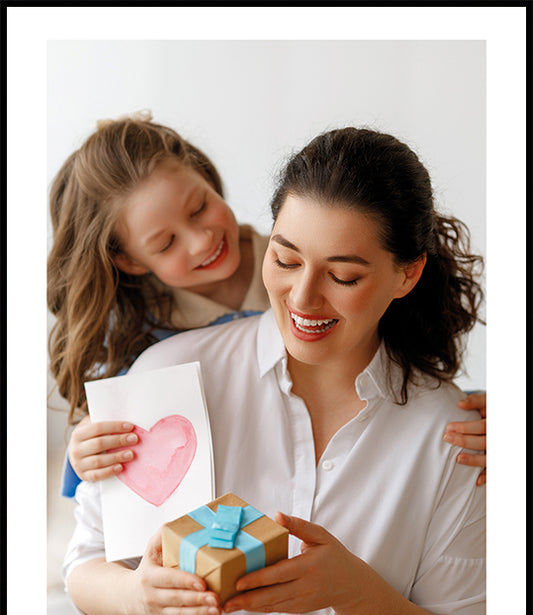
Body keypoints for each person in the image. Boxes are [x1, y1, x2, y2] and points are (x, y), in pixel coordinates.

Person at [62, 126, 486, 615]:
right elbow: (86, 564)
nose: (303, 298)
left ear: (407, 274)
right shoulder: (164, 373)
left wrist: (356, 593)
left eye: (343, 276)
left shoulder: (457, 438)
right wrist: (137, 596)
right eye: (285, 259)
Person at [47, 113, 486, 492]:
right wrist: (83, 454)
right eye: (165, 243)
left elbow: (388, 384)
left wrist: (470, 414)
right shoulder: (142, 348)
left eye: (200, 207)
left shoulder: (309, 250)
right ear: (128, 259)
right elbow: (107, 507)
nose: (202, 240)